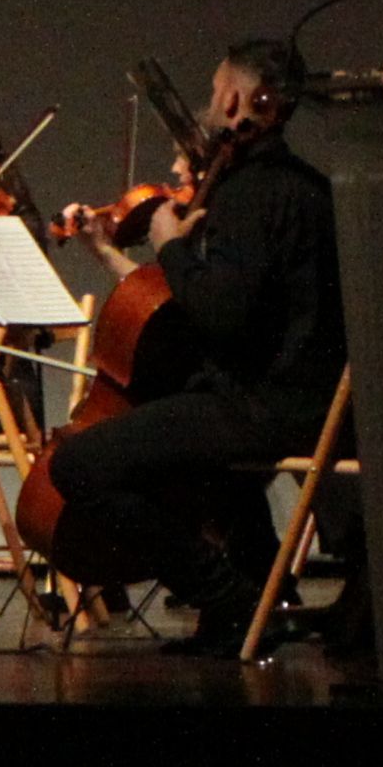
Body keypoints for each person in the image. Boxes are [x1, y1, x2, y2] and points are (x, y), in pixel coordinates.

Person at [38, 39, 348, 649]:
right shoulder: (306, 185)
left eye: (213, 93)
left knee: (78, 464)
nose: (209, 105)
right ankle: (246, 605)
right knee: (181, 438)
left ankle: (230, 596)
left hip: (267, 406)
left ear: (237, 101)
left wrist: (170, 245)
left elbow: (222, 317)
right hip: (312, 396)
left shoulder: (249, 193)